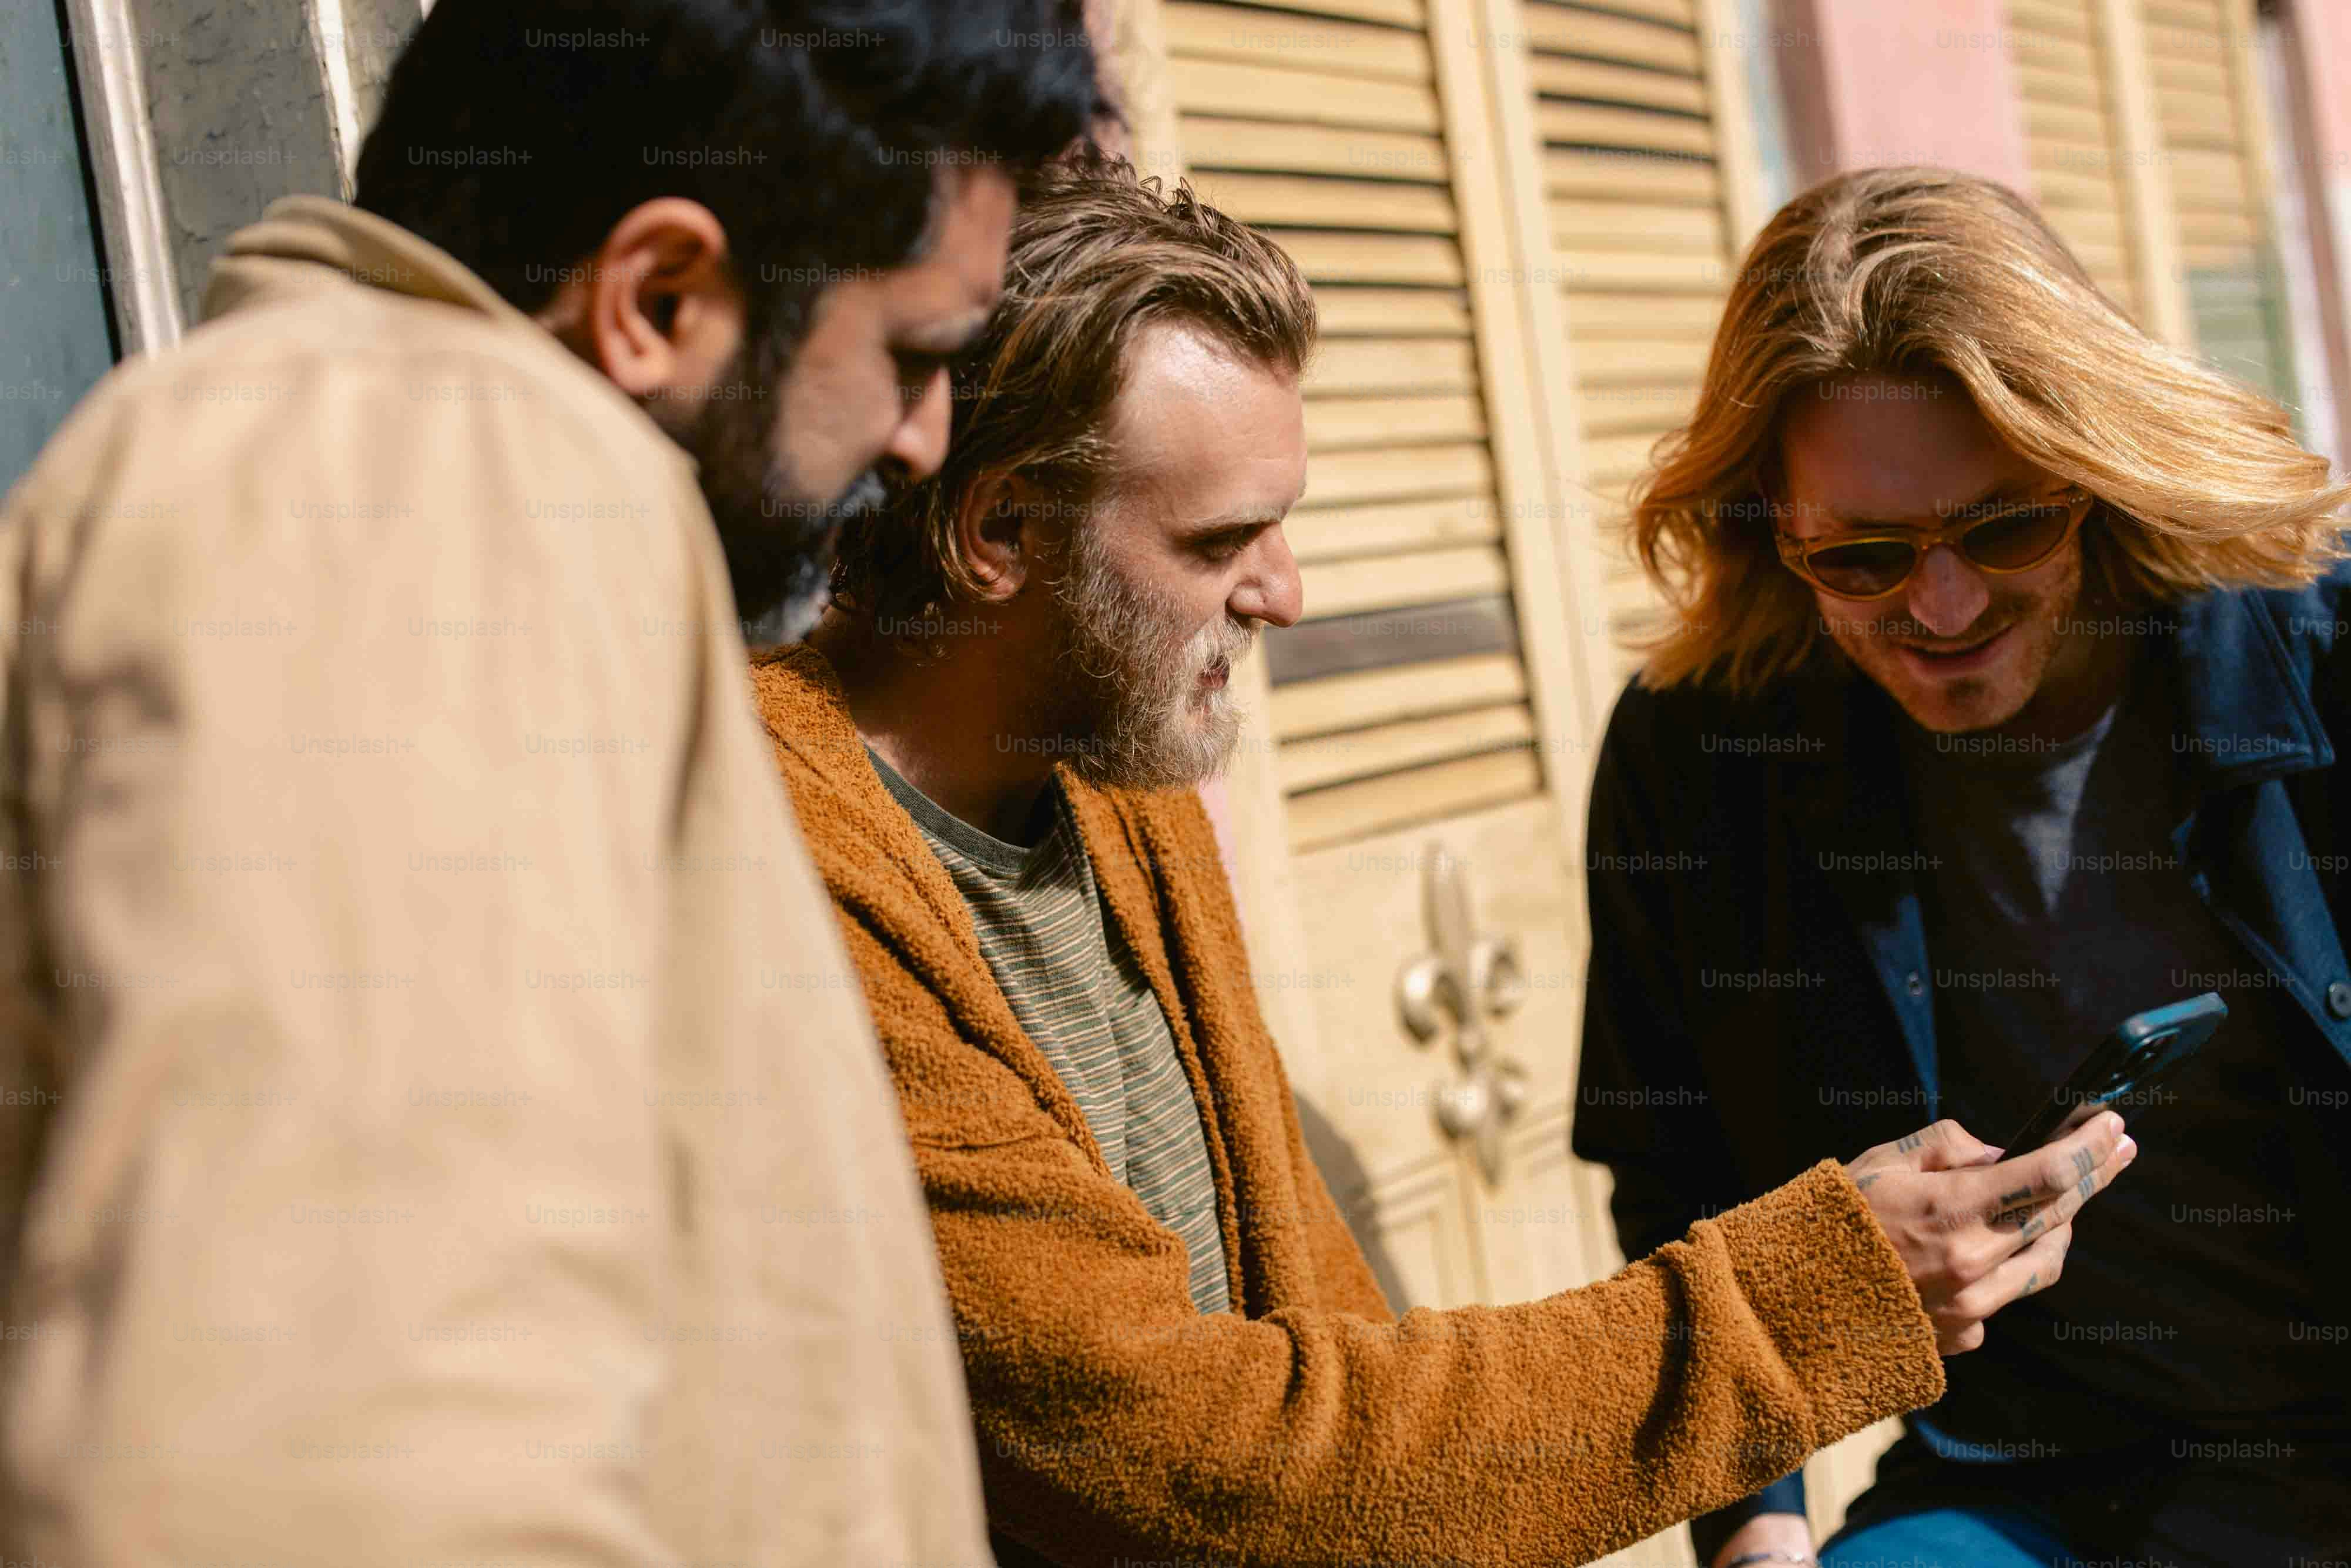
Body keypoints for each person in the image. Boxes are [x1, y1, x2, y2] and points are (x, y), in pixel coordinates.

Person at [746, 158, 2134, 1568]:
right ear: (997, 533)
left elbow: (1317, 1319)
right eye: (1220, 539)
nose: (1283, 591)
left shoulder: (1113, 776)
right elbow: (1194, 1456)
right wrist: (1812, 1298)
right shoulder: (792, 885)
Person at [0, 2, 1097, 1562]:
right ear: (658, 295)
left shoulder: (444, 479)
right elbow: (347, 1464)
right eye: (915, 353)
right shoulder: (422, 472)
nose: (926, 435)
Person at [1576, 165, 2351, 1568]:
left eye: (2003, 527)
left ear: (2090, 473)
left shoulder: (2323, 665)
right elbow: (1676, 1162)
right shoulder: (1696, 756)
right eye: (1861, 557)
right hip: (2028, 1473)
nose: (1938, 609)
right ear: (1767, 522)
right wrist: (1757, 1536)